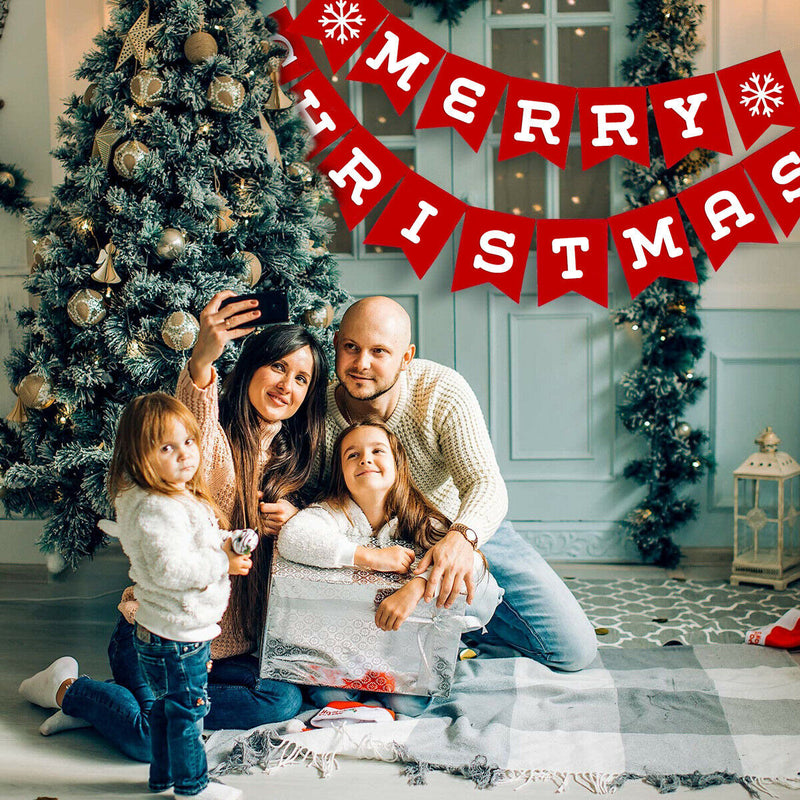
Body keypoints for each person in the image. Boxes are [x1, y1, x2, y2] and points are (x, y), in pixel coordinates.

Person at [20, 293, 327, 754]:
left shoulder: (297, 460)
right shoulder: (210, 440)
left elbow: (331, 529)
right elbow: (197, 405)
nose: (288, 384)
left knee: (282, 699)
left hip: (225, 646)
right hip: (156, 633)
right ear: (252, 368)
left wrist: (298, 521)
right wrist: (203, 355)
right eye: (278, 367)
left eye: (301, 378)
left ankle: (126, 704)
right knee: (151, 744)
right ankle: (69, 688)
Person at [315, 296, 598, 672]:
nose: (361, 364)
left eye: (379, 351)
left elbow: (485, 483)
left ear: (406, 357)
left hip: (460, 528)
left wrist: (462, 538)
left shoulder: (439, 390)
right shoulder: (314, 407)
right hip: (379, 549)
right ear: (336, 343)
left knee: (573, 650)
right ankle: (442, 632)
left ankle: (458, 628)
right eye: (351, 347)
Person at [25, 393, 250, 800]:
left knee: (165, 710)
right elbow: (171, 569)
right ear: (140, 457)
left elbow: (197, 540)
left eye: (188, 442)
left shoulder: (176, 496)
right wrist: (223, 565)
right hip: (175, 633)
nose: (185, 454)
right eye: (167, 447)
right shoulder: (154, 509)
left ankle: (162, 778)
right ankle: (192, 787)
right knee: (187, 712)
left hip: (173, 628)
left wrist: (227, 543)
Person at [278, 419, 503, 715]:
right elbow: (293, 538)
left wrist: (419, 585)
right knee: (328, 697)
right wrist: (369, 556)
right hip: (346, 645)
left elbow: (472, 564)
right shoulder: (331, 513)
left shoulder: (422, 520)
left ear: (397, 465)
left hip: (402, 648)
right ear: (341, 472)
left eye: (377, 451)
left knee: (408, 703)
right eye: (352, 455)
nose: (366, 459)